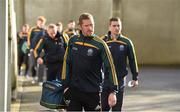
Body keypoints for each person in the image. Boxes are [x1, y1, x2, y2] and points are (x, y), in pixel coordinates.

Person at [61, 13, 118, 111]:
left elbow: (110, 67)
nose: (90, 28)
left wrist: (113, 91)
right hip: (74, 90)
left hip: (92, 92)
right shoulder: (73, 41)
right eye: (86, 25)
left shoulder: (100, 44)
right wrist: (65, 86)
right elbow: (66, 62)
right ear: (80, 26)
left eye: (92, 25)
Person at [101, 17, 139, 111]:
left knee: (117, 108)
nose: (117, 28)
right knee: (104, 108)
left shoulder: (127, 42)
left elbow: (132, 60)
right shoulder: (102, 41)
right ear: (109, 27)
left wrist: (135, 77)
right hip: (105, 79)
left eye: (118, 25)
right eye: (114, 26)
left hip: (120, 80)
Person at [27, 16, 46, 83]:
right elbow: (29, 39)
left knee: (40, 64)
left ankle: (40, 79)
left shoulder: (45, 30)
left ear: (43, 23)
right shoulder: (33, 29)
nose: (40, 24)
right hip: (33, 50)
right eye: (39, 22)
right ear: (37, 22)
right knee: (33, 64)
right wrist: (30, 48)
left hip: (41, 51)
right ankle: (34, 77)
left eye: (42, 23)